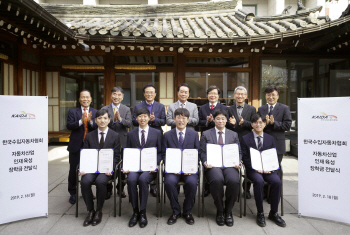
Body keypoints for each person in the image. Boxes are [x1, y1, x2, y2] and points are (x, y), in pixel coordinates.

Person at [240, 114, 285, 227]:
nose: (258, 124)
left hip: (268, 169)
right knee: (259, 181)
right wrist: (256, 168)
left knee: (277, 182)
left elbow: (272, 155)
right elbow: (245, 157)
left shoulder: (270, 138)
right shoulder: (245, 138)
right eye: (255, 122)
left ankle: (273, 213)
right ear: (251, 124)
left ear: (265, 124)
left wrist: (269, 168)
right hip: (253, 169)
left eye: (261, 122)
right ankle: (260, 213)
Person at [200, 109, 241, 227]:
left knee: (233, 180)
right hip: (213, 165)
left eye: (223, 118)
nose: (220, 121)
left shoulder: (233, 134)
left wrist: (238, 161)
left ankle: (228, 211)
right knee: (217, 180)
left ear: (227, 120)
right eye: (218, 118)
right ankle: (219, 210)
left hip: (229, 165)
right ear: (213, 119)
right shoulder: (206, 134)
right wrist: (205, 161)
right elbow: (202, 152)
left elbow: (238, 151)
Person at [80, 109, 121, 227]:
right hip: (91, 168)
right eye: (99, 118)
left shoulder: (115, 136)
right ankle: (90, 210)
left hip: (106, 169)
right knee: (85, 181)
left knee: (100, 181)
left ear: (109, 120)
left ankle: (98, 210)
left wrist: (112, 168)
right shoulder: (89, 135)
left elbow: (117, 156)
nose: (102, 121)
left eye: (105, 118)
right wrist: (83, 168)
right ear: (95, 120)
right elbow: (85, 154)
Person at [124, 107, 162, 228]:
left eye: (145, 116)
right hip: (134, 167)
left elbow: (161, 152)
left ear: (149, 117)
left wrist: (156, 164)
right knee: (130, 180)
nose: (142, 118)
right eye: (140, 116)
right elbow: (128, 151)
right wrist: (126, 166)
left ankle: (143, 212)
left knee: (143, 180)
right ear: (136, 118)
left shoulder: (157, 133)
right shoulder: (130, 134)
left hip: (149, 168)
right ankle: (135, 211)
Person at [162, 108, 200, 225]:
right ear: (174, 119)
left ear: (188, 120)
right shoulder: (167, 135)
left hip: (189, 169)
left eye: (184, 118)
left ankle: (187, 211)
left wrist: (192, 167)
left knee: (192, 183)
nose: (181, 120)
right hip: (173, 170)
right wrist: (172, 167)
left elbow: (197, 153)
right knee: (169, 182)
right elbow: (164, 154)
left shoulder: (194, 134)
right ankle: (175, 210)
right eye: (178, 117)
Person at [132, 84, 166, 197]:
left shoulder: (160, 106)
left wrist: (154, 120)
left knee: (154, 156)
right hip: (141, 133)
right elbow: (133, 120)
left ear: (155, 94)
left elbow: (163, 121)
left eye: (152, 92)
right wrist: (144, 120)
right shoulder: (138, 106)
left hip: (155, 134)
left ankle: (153, 186)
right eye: (147, 92)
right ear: (144, 94)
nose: (149, 94)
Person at [66, 89, 97, 205]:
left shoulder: (96, 112)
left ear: (91, 99)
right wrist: (80, 121)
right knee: (73, 170)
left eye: (87, 97)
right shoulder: (73, 112)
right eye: (83, 97)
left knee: (89, 171)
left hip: (90, 147)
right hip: (76, 146)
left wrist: (90, 122)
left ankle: (88, 192)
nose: (85, 99)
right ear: (79, 99)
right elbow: (69, 125)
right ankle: (73, 193)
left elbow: (99, 126)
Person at [101, 86, 132, 198]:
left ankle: (120, 188)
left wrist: (120, 120)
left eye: (119, 95)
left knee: (123, 166)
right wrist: (111, 121)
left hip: (123, 140)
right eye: (114, 94)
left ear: (122, 97)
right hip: (108, 141)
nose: (116, 97)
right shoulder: (105, 109)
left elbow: (129, 124)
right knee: (109, 164)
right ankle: (108, 189)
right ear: (111, 95)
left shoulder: (126, 109)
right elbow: (101, 123)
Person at [198, 85, 228, 197]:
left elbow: (226, 123)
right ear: (207, 95)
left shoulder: (224, 108)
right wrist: (207, 121)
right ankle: (207, 187)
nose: (212, 95)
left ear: (218, 95)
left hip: (219, 137)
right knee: (207, 160)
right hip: (207, 136)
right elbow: (198, 123)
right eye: (210, 93)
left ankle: (218, 183)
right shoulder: (202, 107)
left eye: (215, 93)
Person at [227, 86, 256, 199]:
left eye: (242, 94)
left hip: (247, 139)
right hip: (233, 140)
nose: (240, 96)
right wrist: (232, 124)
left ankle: (246, 189)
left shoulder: (252, 109)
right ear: (234, 96)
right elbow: (227, 125)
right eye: (237, 94)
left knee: (248, 164)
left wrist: (243, 122)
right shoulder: (229, 109)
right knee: (234, 165)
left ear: (245, 96)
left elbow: (254, 124)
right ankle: (236, 189)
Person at [258, 85, 292, 166]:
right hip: (263, 143)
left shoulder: (284, 108)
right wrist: (263, 124)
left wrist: (274, 123)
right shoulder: (261, 109)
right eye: (268, 95)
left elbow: (287, 125)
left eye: (273, 94)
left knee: (276, 168)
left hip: (277, 144)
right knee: (264, 167)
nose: (271, 97)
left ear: (278, 96)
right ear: (265, 96)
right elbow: (257, 124)